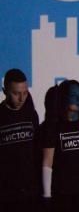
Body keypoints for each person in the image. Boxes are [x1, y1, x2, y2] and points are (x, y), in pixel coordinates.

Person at [41, 79, 79, 212]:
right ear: (63, 99)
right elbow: (47, 163)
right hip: (62, 195)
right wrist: (46, 195)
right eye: (73, 95)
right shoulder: (53, 127)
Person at [0, 69, 40, 212]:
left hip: (31, 191)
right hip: (6, 193)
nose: (21, 99)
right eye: (16, 94)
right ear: (5, 91)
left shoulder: (31, 114)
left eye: (25, 93)